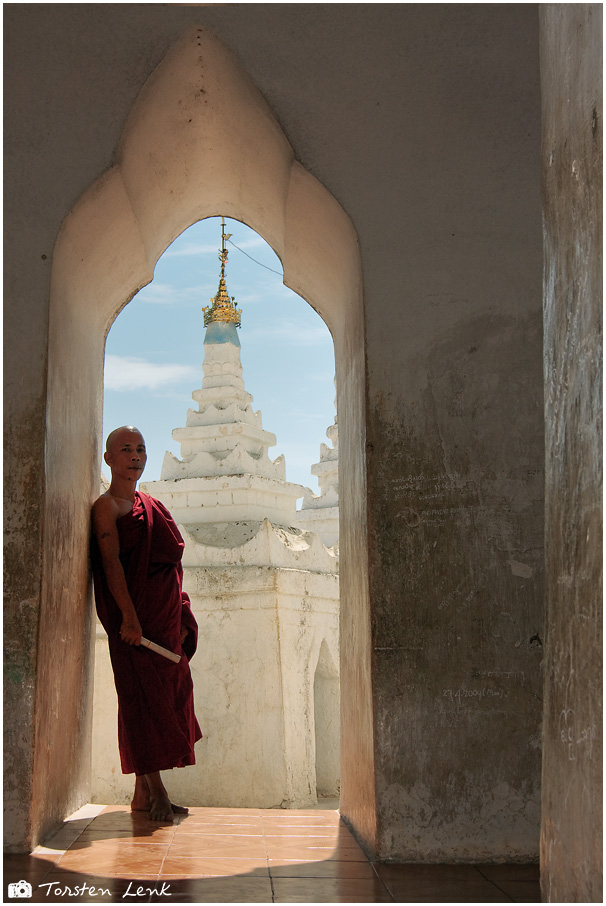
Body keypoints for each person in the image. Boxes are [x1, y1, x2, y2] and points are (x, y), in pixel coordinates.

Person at [91, 425, 202, 821]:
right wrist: (130, 619)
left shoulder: (150, 505)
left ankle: (141, 795)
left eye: (140, 449)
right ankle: (157, 792)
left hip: (165, 625)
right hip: (133, 627)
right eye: (126, 449)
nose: (135, 456)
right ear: (109, 459)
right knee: (141, 704)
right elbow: (111, 565)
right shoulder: (107, 507)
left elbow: (172, 564)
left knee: (169, 699)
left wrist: (181, 615)